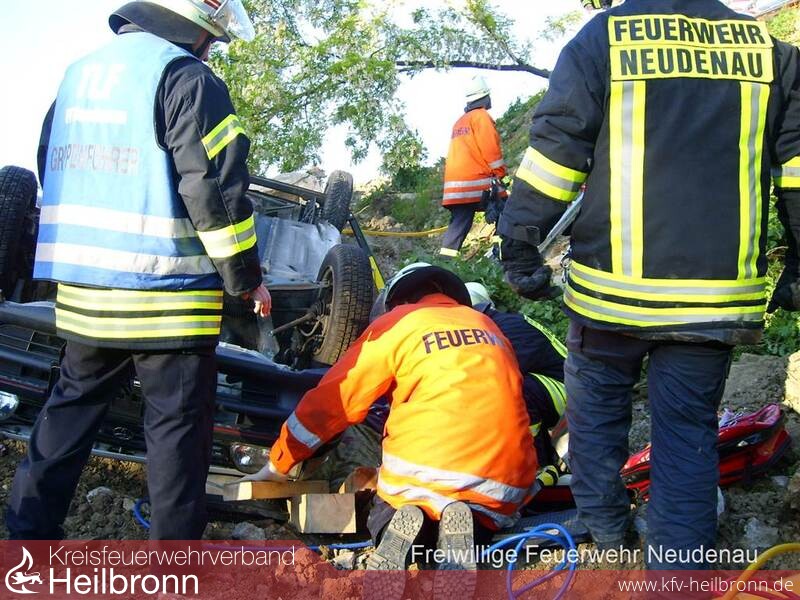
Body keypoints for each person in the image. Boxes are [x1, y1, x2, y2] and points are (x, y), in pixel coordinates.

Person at [498, 0, 800, 569]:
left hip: (610, 296)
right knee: (686, 439)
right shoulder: (771, 54)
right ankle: (677, 572)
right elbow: (796, 172)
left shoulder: (605, 38)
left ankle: (607, 537)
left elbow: (556, 154)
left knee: (594, 419)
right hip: (712, 303)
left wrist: (518, 245)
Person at [7, 0, 271, 540]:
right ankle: (173, 569)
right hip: (169, 302)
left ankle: (25, 542)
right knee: (176, 439)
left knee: (67, 415)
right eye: (211, 39)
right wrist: (246, 279)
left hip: (86, 296)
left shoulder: (78, 76)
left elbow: (50, 164)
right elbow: (214, 189)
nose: (210, 50)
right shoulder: (186, 78)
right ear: (191, 28)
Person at [249, 263, 537, 581]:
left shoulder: (398, 323)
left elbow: (333, 401)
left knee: (389, 511)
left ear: (397, 300)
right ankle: (465, 525)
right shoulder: (488, 326)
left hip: (427, 471)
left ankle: (399, 525)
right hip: (505, 483)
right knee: (478, 517)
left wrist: (278, 465)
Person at [465, 282, 567, 473]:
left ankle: (538, 463)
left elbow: (503, 373)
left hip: (567, 392)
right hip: (560, 386)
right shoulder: (501, 323)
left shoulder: (506, 328)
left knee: (512, 390)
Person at [440, 76, 509, 258]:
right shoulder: (481, 117)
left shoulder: (460, 122)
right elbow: (490, 149)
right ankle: (501, 254)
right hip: (477, 183)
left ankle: (444, 262)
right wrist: (500, 173)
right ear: (484, 97)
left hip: (455, 189)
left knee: (458, 225)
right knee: (506, 211)